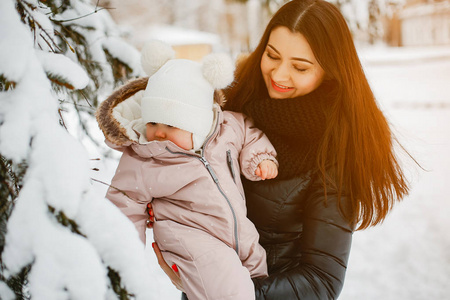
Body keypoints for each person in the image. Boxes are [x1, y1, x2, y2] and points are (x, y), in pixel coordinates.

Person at [147, 0, 412, 299]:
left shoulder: (335, 147)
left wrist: (226, 292)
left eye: (300, 67)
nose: (279, 75)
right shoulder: (229, 101)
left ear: (330, 71)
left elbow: (321, 281)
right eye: (272, 56)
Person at [96, 40, 279, 300]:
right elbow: (123, 205)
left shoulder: (225, 130)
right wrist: (123, 259)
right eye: (152, 121)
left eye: (172, 124)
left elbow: (249, 132)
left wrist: (260, 158)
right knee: (231, 292)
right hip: (188, 239)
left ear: (200, 123)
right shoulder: (144, 157)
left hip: (238, 234)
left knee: (255, 275)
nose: (159, 132)